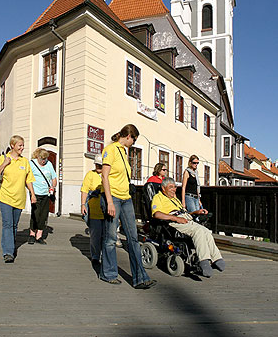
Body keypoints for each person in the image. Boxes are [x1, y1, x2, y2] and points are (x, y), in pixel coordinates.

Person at [100, 123, 156, 289]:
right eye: (134, 139)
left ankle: (140, 277)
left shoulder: (124, 152)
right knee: (110, 238)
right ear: (129, 136)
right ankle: (108, 273)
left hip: (126, 198)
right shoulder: (110, 150)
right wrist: (109, 201)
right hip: (114, 198)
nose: (134, 143)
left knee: (133, 237)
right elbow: (104, 177)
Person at [151, 177, 225, 278]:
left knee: (206, 231)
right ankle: (204, 262)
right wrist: (176, 219)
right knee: (198, 231)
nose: (174, 189)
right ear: (163, 188)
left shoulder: (174, 199)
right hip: (173, 221)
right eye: (171, 187)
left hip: (186, 218)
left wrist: (195, 212)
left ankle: (216, 259)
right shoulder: (158, 197)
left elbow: (184, 213)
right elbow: (157, 214)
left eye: (175, 187)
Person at [0, 135, 36, 263]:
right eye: (20, 145)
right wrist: (4, 164)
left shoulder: (25, 162)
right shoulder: (3, 158)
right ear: (13, 145)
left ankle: (9, 246)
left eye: (23, 145)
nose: (22, 147)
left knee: (14, 226)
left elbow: (29, 180)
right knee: (7, 224)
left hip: (19, 198)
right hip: (5, 197)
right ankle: (8, 252)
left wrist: (32, 194)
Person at [28, 148, 57, 245]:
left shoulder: (49, 164)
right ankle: (32, 234)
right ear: (38, 157)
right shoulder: (32, 163)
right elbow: (28, 179)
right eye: (42, 159)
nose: (44, 161)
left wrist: (52, 187)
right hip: (35, 192)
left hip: (46, 194)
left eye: (45, 159)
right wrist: (32, 193)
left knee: (44, 215)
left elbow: (54, 178)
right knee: (35, 213)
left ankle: (39, 235)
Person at [81, 153, 104, 266]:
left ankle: (106, 256)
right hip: (94, 210)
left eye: (100, 165)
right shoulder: (90, 174)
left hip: (107, 211)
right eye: (97, 165)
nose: (98, 167)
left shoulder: (109, 175)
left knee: (107, 236)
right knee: (95, 235)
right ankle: (95, 256)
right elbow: (84, 190)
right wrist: (82, 205)